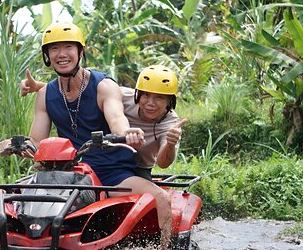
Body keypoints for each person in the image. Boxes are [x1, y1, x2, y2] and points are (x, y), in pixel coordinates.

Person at [7, 22, 176, 250]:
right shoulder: (45, 94)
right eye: (54, 49)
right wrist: (14, 144)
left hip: (112, 174)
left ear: (80, 52)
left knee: (162, 199)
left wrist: (126, 134)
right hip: (68, 174)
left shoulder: (104, 86)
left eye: (68, 47)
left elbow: (117, 119)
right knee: (14, 203)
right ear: (47, 55)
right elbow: (36, 142)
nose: (61, 54)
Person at [20, 65, 187, 180]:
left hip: (139, 166)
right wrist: (40, 87)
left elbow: (163, 164)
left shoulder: (171, 124)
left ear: (169, 101)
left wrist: (171, 144)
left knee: (153, 200)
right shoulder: (125, 96)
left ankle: (165, 233)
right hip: (109, 160)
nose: (150, 103)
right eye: (146, 95)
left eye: (159, 97)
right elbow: (88, 90)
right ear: (138, 94)